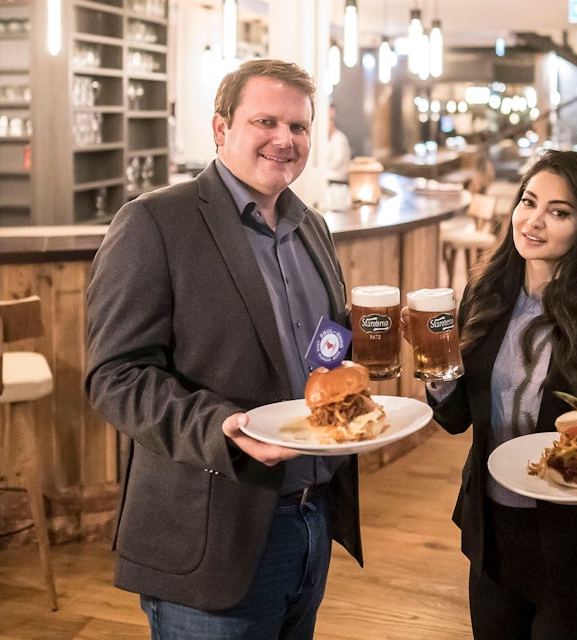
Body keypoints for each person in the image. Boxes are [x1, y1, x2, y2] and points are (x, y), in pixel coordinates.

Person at [85, 59, 361, 639]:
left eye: (300, 127)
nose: (285, 140)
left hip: (311, 517)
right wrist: (221, 428)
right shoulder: (154, 223)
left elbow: (319, 356)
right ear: (220, 129)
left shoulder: (312, 227)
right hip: (211, 526)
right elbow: (114, 375)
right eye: (266, 121)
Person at [428, 150, 577, 639]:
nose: (534, 221)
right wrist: (437, 371)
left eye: (559, 212)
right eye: (528, 202)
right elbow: (457, 418)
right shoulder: (484, 297)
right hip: (492, 531)